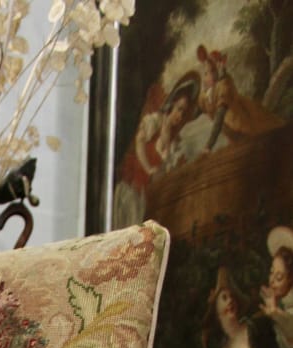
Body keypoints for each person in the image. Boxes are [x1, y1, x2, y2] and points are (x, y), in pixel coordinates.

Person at [113, 75, 199, 228]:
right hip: (131, 191)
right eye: (179, 109)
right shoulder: (154, 122)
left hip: (146, 199)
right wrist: (148, 168)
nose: (180, 116)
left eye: (184, 112)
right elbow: (139, 144)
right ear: (171, 104)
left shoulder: (174, 142)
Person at [198, 46, 283, 148]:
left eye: (213, 71)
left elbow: (220, 116)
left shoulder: (224, 86)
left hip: (247, 127)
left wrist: (209, 145)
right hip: (236, 134)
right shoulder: (206, 94)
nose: (209, 76)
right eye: (206, 73)